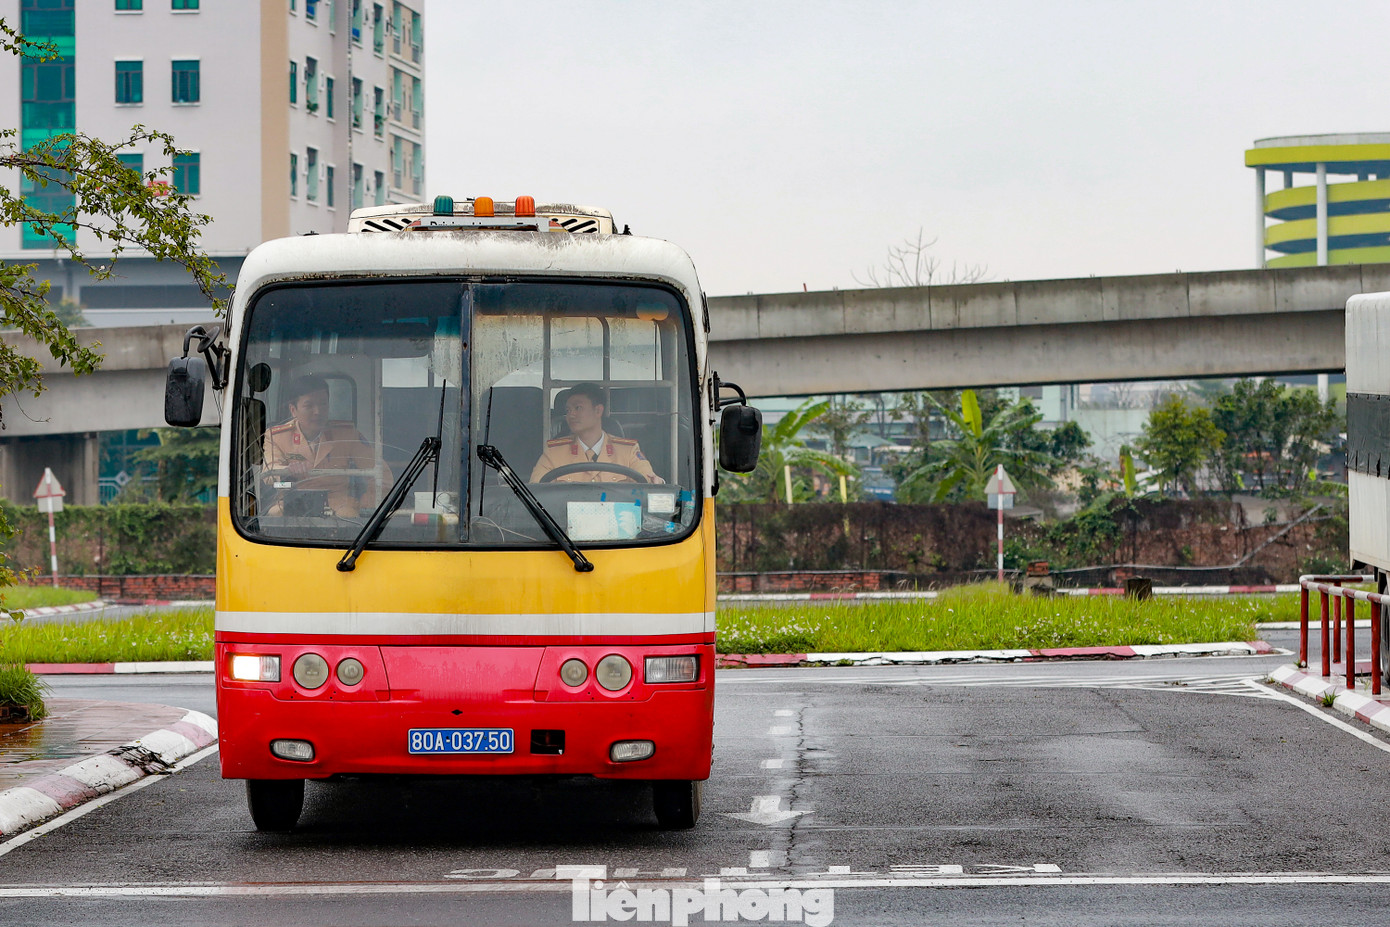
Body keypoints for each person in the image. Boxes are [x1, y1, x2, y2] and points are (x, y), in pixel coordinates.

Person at [263, 375, 384, 516]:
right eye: (309, 406)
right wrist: (288, 471)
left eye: (323, 404)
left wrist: (367, 504)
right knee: (275, 514)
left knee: (349, 517)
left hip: (338, 503)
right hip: (293, 499)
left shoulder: (348, 435)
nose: (318, 412)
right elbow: (269, 473)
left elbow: (380, 472)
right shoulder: (276, 436)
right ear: (293, 410)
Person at [530, 383, 663, 483]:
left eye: (578, 408)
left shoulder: (628, 451)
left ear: (598, 411)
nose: (571, 414)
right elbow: (536, 491)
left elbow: (649, 482)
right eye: (568, 410)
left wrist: (657, 482)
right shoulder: (554, 453)